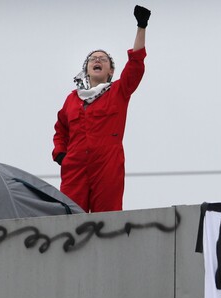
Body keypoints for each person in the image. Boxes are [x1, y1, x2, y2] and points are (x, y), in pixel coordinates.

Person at [52, 5, 151, 213]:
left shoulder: (118, 92)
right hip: (75, 168)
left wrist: (141, 27)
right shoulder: (72, 99)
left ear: (110, 71)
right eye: (93, 59)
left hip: (107, 165)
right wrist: (61, 154)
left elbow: (135, 67)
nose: (97, 60)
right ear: (86, 70)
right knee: (68, 218)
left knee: (107, 220)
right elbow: (60, 130)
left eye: (103, 59)